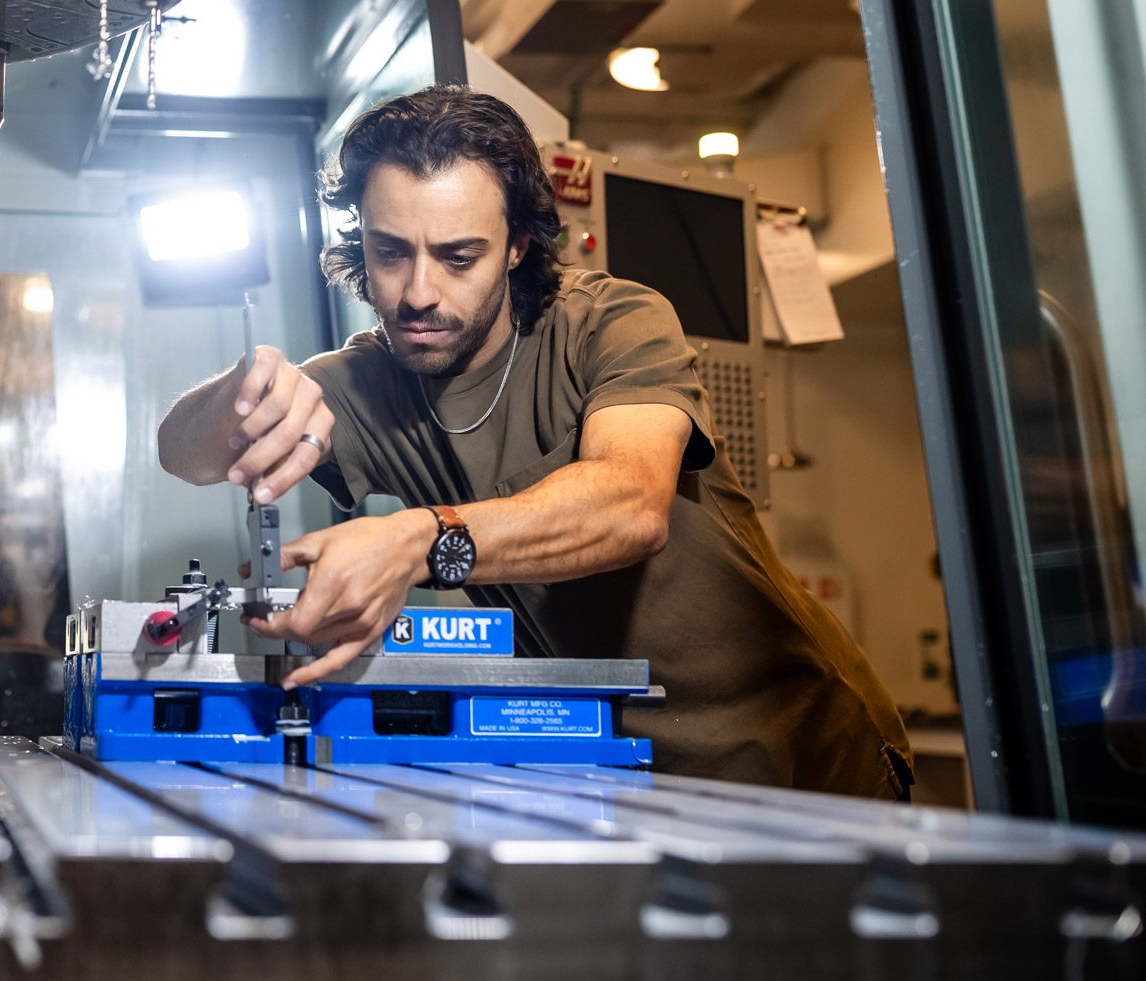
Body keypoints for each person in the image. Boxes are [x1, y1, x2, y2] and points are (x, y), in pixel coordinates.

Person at [156, 85, 912, 797]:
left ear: (516, 246)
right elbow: (181, 452)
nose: (418, 292)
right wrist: (246, 388)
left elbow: (630, 504)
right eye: (391, 253)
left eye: (458, 257)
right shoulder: (366, 382)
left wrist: (419, 540)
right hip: (625, 773)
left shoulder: (611, 321)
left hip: (804, 756)